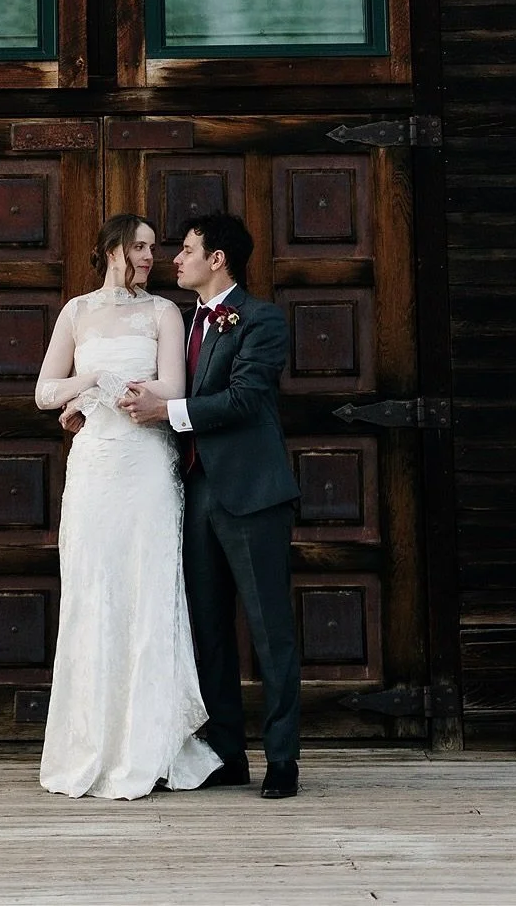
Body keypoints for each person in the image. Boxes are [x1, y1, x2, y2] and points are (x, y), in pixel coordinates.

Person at [33, 212, 221, 799]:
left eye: (154, 248)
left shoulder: (164, 312)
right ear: (112, 247)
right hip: (94, 467)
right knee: (93, 592)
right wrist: (91, 380)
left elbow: (174, 389)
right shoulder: (77, 312)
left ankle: (149, 744)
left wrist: (119, 389)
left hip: (145, 465)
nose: (151, 257)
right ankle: (90, 743)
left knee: (147, 590)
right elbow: (44, 392)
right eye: (140, 246)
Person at [121, 211, 302, 800]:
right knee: (207, 631)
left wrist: (168, 413)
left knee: (270, 631)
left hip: (252, 495)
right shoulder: (175, 323)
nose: (176, 259)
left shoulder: (261, 320)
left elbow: (247, 398)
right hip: (194, 493)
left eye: (188, 249)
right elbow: (148, 389)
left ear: (217, 258)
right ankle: (227, 754)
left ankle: (282, 762)